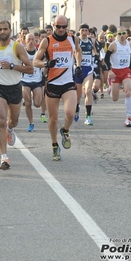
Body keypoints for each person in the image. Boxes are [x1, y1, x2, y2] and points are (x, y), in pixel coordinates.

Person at [0, 20, 34, 170]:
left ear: (10, 30)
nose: (2, 31)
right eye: (0, 29)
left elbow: (30, 69)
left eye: (5, 29)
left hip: (14, 88)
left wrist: (12, 66)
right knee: (1, 120)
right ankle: (4, 157)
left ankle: (10, 129)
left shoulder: (16, 47)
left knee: (13, 121)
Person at [33, 15, 82, 161]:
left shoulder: (73, 39)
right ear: (53, 26)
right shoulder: (47, 41)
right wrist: (46, 64)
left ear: (67, 26)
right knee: (53, 119)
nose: (61, 29)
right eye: (58, 26)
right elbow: (35, 61)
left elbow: (78, 51)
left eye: (64, 26)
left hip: (68, 83)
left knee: (70, 113)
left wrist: (78, 65)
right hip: (53, 83)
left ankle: (65, 130)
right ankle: (54, 145)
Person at [104, 26, 131, 127]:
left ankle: (128, 118)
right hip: (115, 72)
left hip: (126, 71)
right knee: (115, 98)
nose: (122, 36)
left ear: (126, 34)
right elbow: (106, 60)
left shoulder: (130, 44)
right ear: (116, 35)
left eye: (123, 33)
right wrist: (109, 70)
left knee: (128, 93)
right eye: (119, 34)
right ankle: (110, 88)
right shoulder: (113, 45)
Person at [75, 23, 96, 126]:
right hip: (78, 69)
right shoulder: (76, 40)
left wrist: (98, 60)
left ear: (88, 32)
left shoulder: (91, 41)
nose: (84, 32)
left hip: (88, 69)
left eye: (85, 30)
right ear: (79, 31)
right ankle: (77, 108)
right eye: (82, 30)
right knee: (78, 95)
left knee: (88, 91)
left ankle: (88, 117)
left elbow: (95, 52)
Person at [21, 33, 43, 132]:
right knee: (28, 103)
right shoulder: (22, 52)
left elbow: (44, 63)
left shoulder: (39, 52)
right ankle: (31, 123)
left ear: (36, 41)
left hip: (37, 80)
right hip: (25, 80)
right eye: (28, 39)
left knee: (38, 104)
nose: (30, 41)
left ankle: (35, 97)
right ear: (25, 41)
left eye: (32, 39)